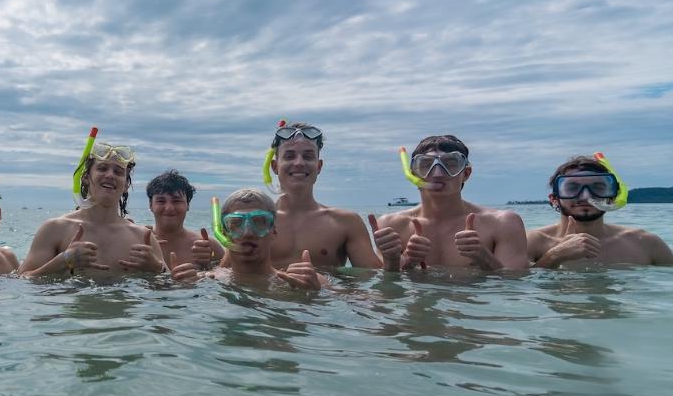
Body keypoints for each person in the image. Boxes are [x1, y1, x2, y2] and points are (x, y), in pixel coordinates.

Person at [368, 134, 527, 271]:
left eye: (451, 164)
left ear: (465, 173)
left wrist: (483, 257)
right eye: (425, 165)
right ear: (413, 174)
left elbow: (515, 287)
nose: (437, 174)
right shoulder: (390, 226)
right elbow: (386, 292)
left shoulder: (503, 223)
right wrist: (395, 262)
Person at [20, 141, 166, 277]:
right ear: (85, 178)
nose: (110, 175)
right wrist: (64, 261)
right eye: (102, 168)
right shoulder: (55, 229)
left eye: (118, 172)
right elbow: (22, 281)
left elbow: (170, 288)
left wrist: (157, 269)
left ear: (126, 185)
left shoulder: (142, 237)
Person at [265, 122, 380, 268]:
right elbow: (228, 274)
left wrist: (392, 261)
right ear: (275, 167)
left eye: (307, 156)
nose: (299, 163)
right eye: (289, 156)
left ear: (319, 167)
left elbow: (372, 281)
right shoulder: (256, 221)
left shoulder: (346, 222)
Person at [527, 155, 672, 267]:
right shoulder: (532, 242)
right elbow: (515, 290)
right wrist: (554, 256)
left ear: (612, 197)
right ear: (554, 199)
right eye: (572, 188)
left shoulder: (646, 243)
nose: (586, 196)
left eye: (597, 187)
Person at [170, 188, 324, 290]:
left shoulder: (299, 283)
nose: (248, 232)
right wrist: (181, 288)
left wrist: (314, 294)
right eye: (236, 224)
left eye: (259, 222)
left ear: (274, 231)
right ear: (224, 233)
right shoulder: (206, 282)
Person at [146, 170, 223, 269]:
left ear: (188, 205)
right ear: (151, 205)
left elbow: (230, 277)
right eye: (161, 201)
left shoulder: (208, 247)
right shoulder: (139, 241)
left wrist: (209, 263)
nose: (169, 208)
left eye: (176, 201)